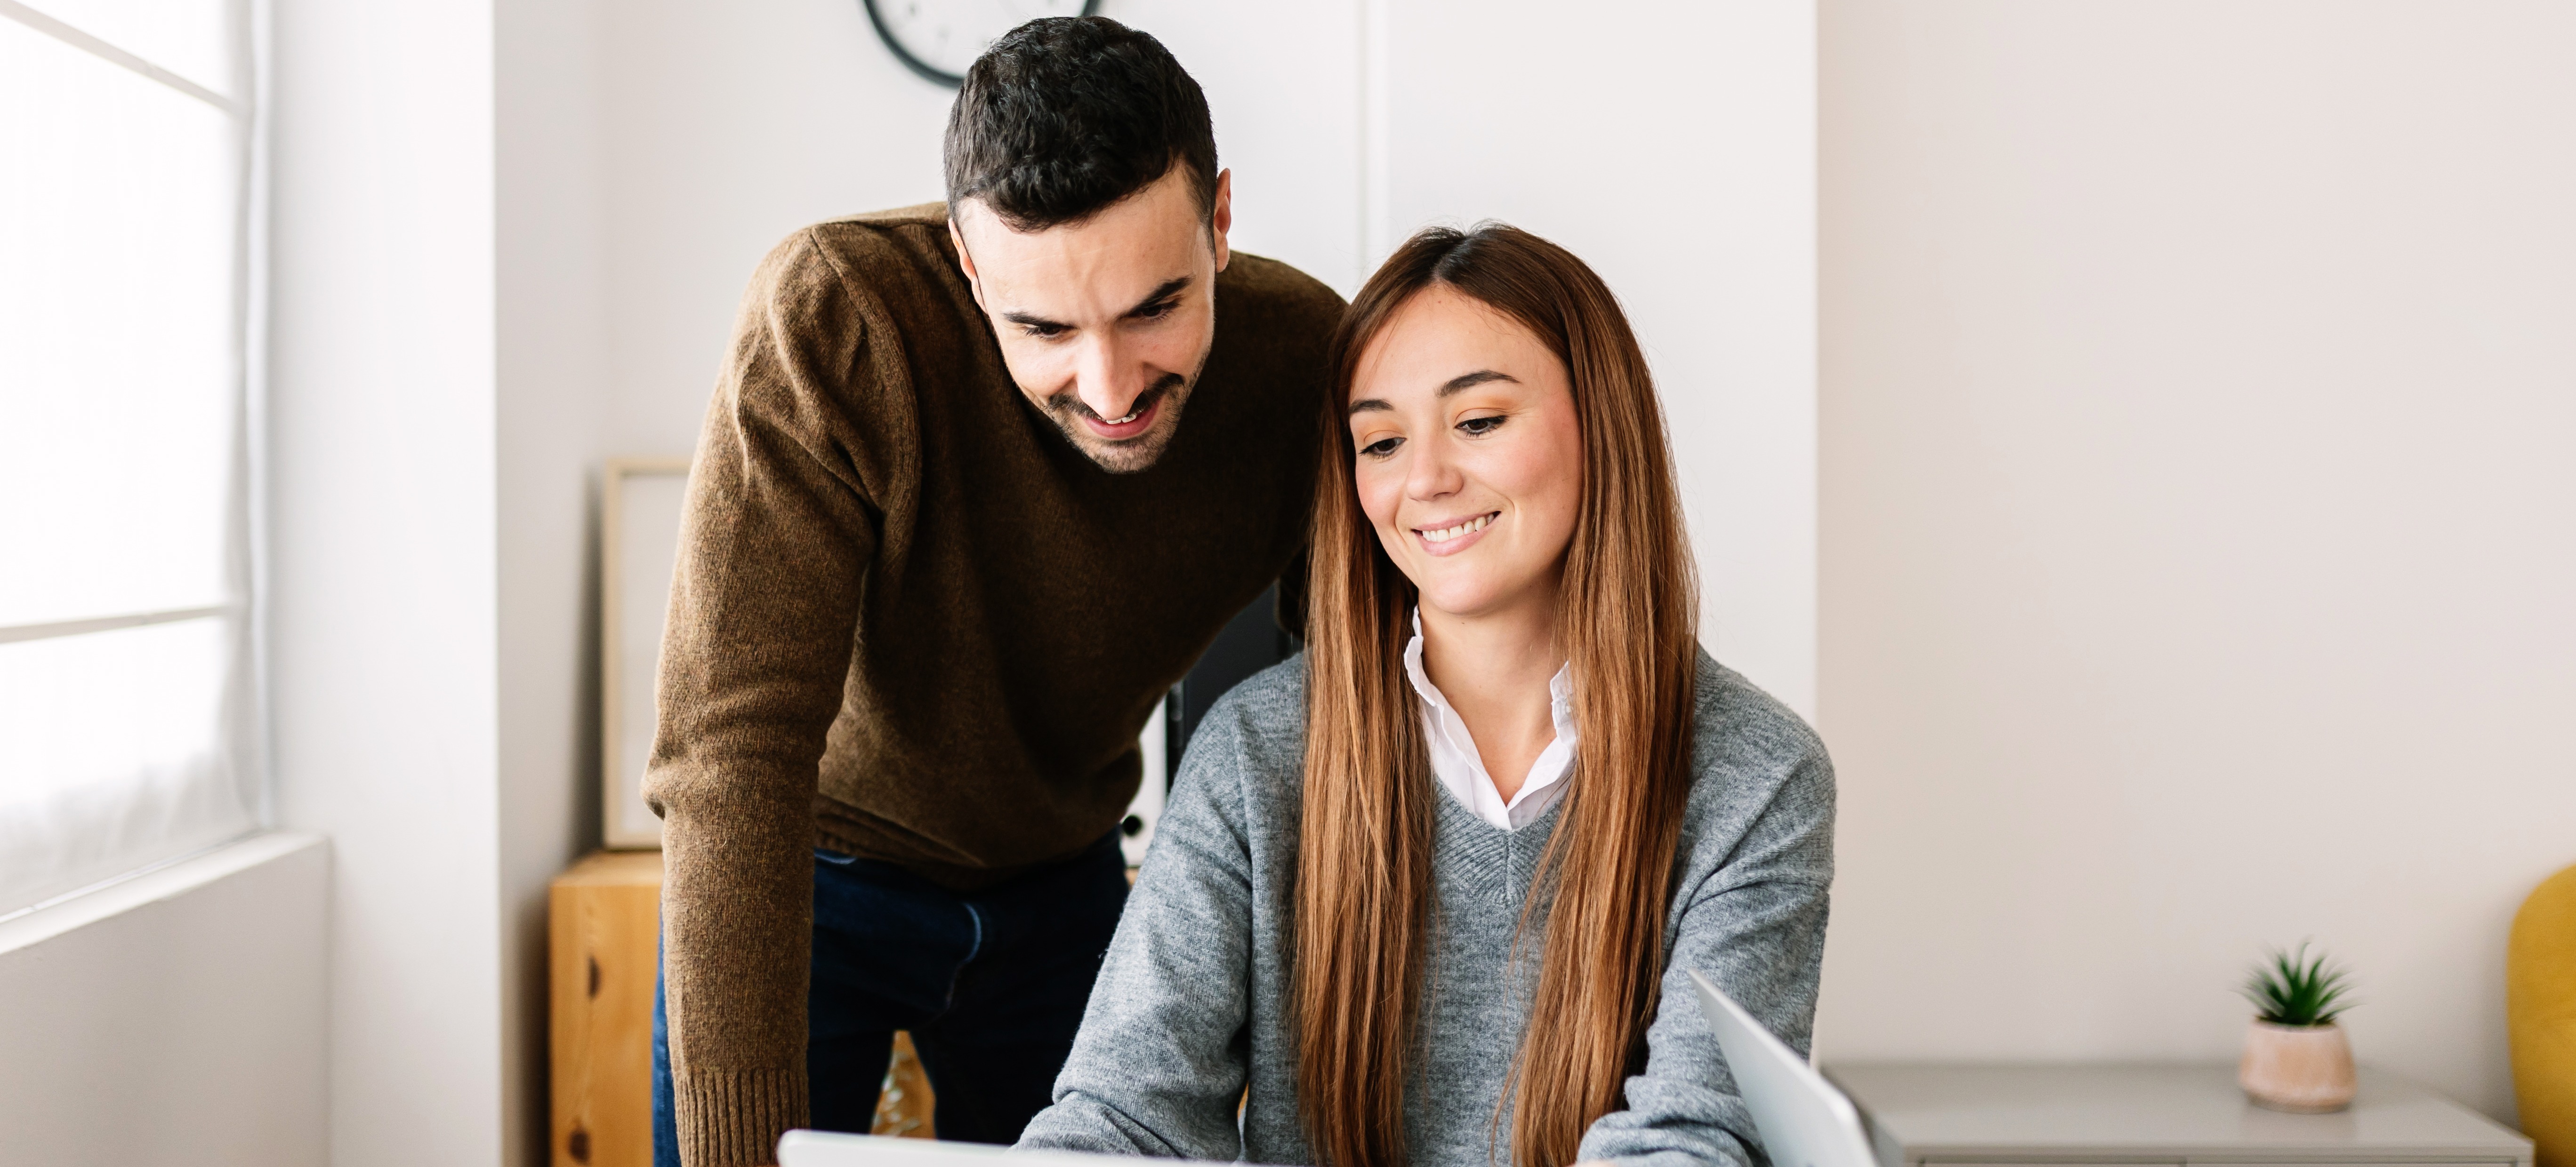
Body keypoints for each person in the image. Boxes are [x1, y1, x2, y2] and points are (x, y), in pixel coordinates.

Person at [640, 18, 1343, 1167]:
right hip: (806, 878)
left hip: (1065, 878)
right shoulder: (835, 321)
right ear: (972, 268)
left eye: (1155, 306)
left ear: (1220, 221)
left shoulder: (1307, 361)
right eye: (1046, 328)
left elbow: (1362, 714)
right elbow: (733, 756)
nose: (1111, 386)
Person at [1017, 224, 1836, 1167]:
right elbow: (1125, 1113)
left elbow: (1696, 1137)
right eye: (1381, 441)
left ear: (1599, 425)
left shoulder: (1759, 778)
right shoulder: (1257, 752)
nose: (1427, 480)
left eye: (1480, 421)